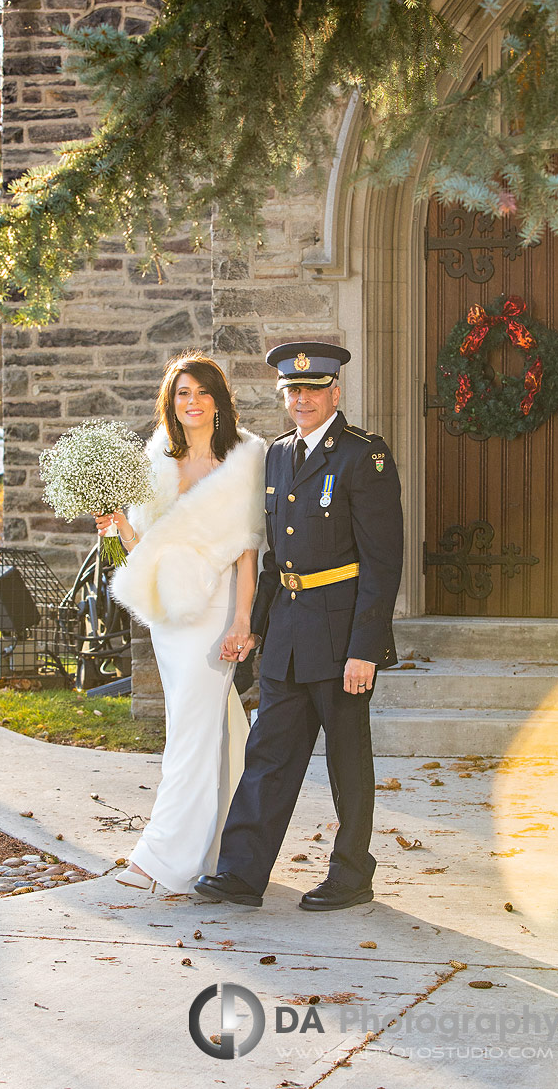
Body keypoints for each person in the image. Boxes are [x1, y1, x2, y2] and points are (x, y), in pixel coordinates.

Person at [195, 341, 403, 911]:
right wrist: (255, 626)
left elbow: (382, 564)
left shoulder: (365, 457)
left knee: (347, 761)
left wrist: (367, 648)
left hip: (341, 639)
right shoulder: (279, 455)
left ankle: (352, 874)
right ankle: (241, 873)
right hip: (288, 631)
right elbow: (273, 556)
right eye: (293, 390)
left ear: (335, 392)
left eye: (313, 389)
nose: (302, 399)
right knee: (268, 755)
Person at [94, 352, 266, 894]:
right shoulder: (156, 460)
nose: (191, 403)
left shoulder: (245, 459)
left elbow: (248, 553)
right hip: (171, 618)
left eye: (202, 393)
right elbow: (147, 550)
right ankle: (229, 850)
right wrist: (119, 524)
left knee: (191, 733)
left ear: (220, 401)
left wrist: (244, 621)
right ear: (171, 402)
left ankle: (163, 857)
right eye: (182, 393)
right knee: (215, 728)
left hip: (215, 614)